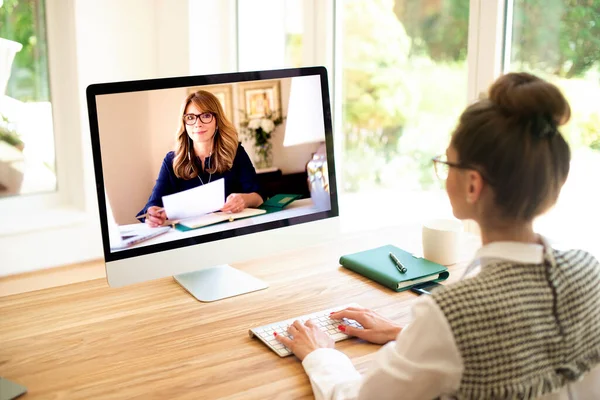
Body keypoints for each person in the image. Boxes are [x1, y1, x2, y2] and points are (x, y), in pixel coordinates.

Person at [274, 73, 600, 399]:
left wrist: (320, 353)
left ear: (473, 185)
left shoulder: (454, 313)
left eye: (447, 162)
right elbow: (523, 346)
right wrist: (408, 335)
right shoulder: (588, 272)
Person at [137, 90, 264, 227]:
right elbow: (153, 205)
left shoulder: (236, 153)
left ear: (217, 121)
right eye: (191, 117)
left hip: (231, 231)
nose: (198, 123)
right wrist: (152, 214)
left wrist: (244, 200)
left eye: (206, 116)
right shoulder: (171, 160)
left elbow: (259, 196)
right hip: (190, 238)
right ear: (184, 124)